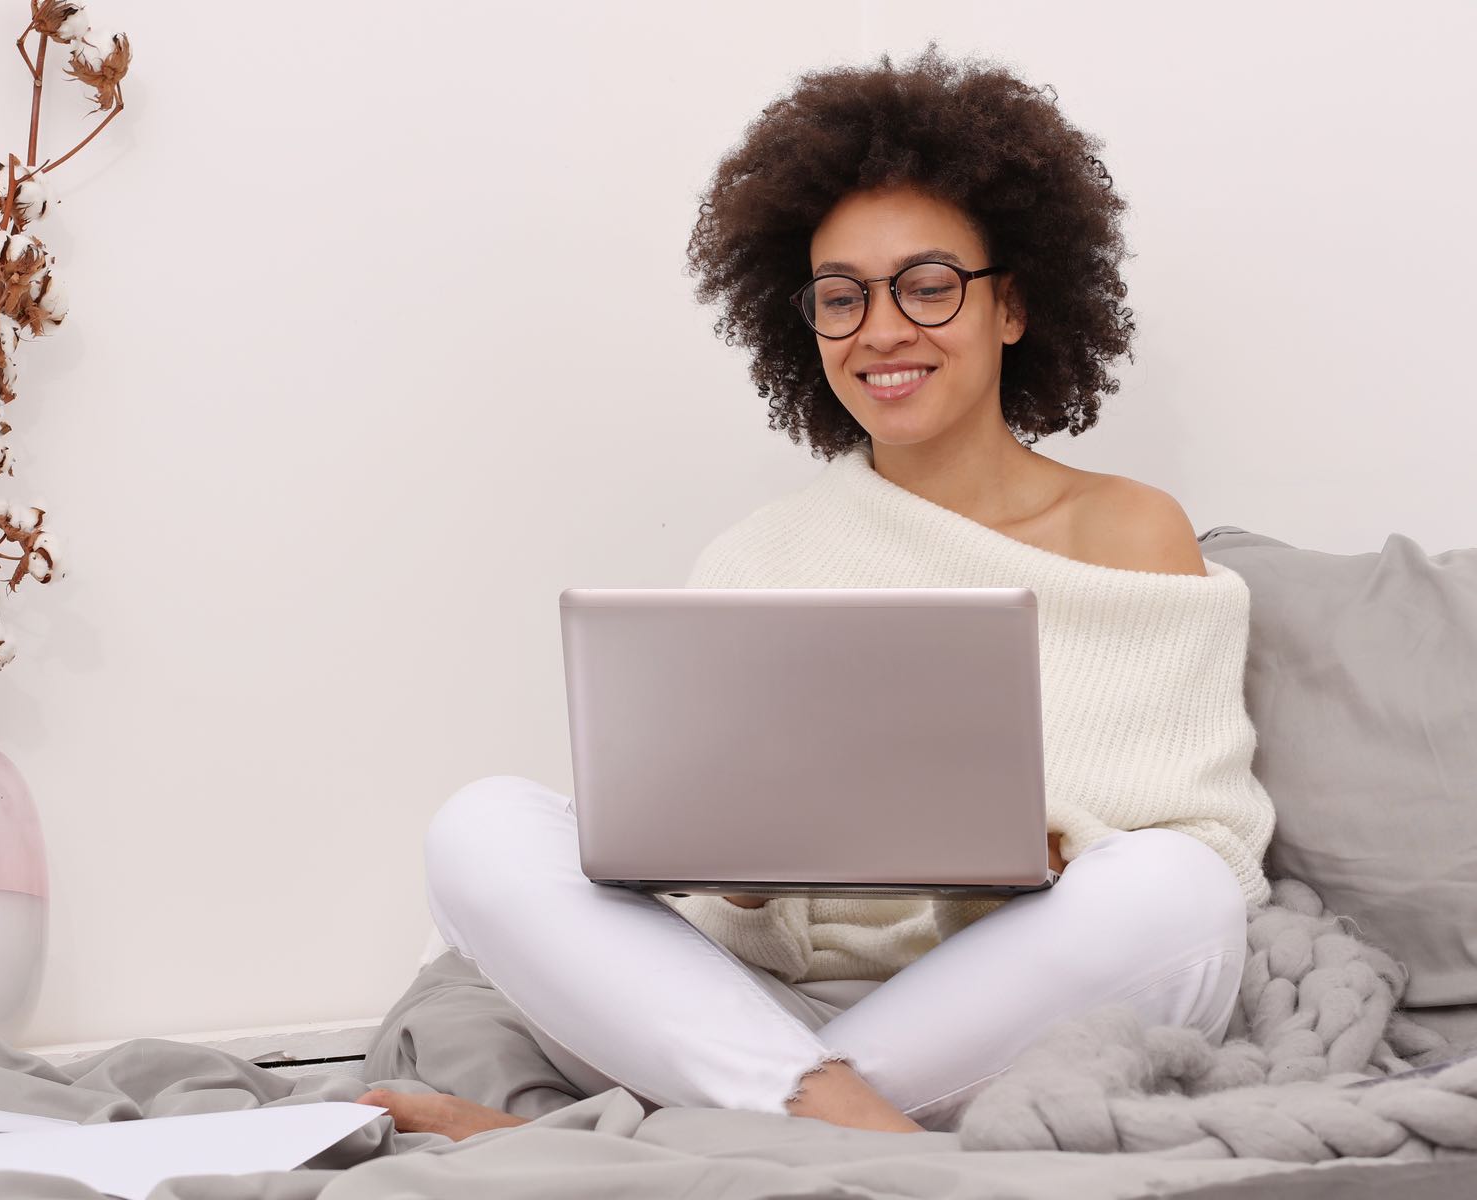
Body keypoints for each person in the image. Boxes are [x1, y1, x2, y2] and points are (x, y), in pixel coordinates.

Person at [359, 43, 1275, 1141]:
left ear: (1015, 306)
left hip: (1004, 1003)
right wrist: (737, 879)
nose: (883, 330)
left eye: (929, 286)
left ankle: (670, 1138)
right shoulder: (759, 557)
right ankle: (833, 1120)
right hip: (734, 1010)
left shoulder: (1131, 530)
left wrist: (1044, 853)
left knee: (1178, 892)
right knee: (481, 827)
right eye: (841, 298)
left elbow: (1213, 846)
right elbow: (687, 908)